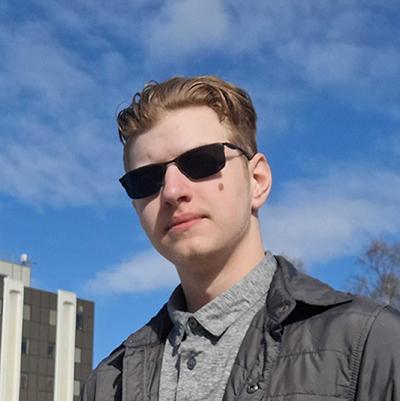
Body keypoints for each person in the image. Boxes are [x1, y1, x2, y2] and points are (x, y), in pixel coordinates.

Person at [81, 76, 400, 401]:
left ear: (257, 180)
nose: (172, 192)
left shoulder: (372, 342)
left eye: (200, 161)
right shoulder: (108, 383)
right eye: (146, 179)